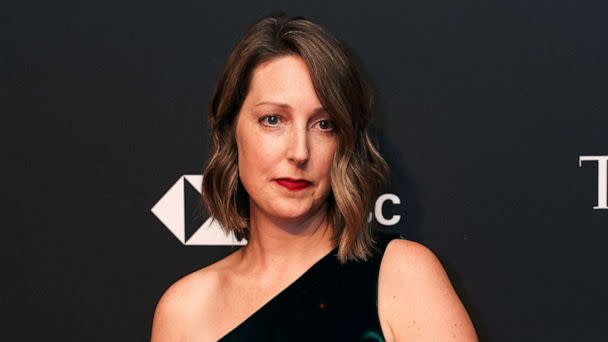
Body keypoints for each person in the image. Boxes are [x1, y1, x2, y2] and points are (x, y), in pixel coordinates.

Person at [151, 12, 478, 341]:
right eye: (273, 120)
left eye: (324, 124)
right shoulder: (186, 311)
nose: (299, 152)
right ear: (232, 130)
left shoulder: (403, 276)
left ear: (344, 142)